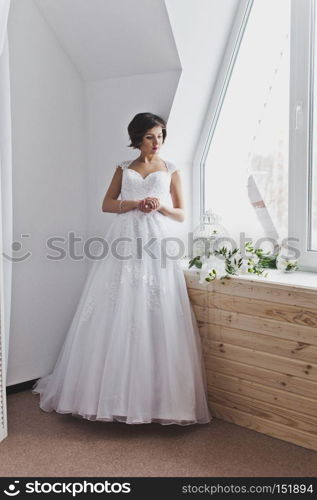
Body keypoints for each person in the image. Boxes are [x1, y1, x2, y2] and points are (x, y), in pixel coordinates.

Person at [32, 112, 212, 426]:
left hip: (154, 241)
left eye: (160, 136)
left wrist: (160, 205)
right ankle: (103, 394)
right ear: (137, 138)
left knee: (155, 308)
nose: (157, 142)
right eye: (150, 137)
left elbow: (182, 214)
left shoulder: (171, 169)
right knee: (114, 305)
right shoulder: (123, 168)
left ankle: (157, 400)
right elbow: (106, 204)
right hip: (124, 239)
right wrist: (133, 204)